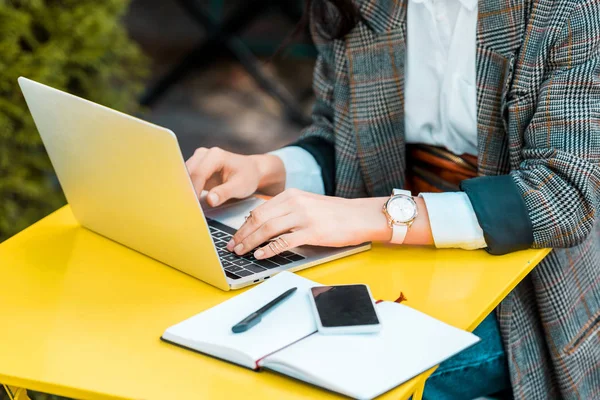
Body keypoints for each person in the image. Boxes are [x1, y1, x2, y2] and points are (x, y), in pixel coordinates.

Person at [185, 0, 600, 398]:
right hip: (386, 260)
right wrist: (266, 169)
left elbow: (561, 195)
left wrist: (372, 215)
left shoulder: (566, 9)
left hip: (529, 281)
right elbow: (341, 137)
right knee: (230, 348)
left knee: (331, 379)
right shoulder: (357, 5)